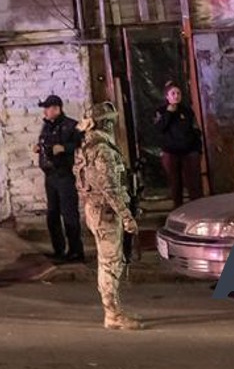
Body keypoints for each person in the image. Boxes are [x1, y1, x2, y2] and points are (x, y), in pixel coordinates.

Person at [76, 100, 143, 330]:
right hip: (106, 212)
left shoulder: (86, 146)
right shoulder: (102, 150)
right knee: (111, 262)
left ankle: (112, 310)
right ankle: (112, 313)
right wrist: (126, 216)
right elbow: (110, 187)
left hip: (95, 209)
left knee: (107, 261)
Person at [35, 94, 84, 264]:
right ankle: (59, 250)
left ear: (57, 109)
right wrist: (39, 148)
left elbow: (83, 144)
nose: (46, 112)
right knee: (53, 214)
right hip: (50, 176)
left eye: (48, 108)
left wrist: (64, 148)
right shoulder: (47, 126)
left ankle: (76, 251)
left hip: (65, 175)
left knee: (69, 214)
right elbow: (45, 143)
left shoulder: (71, 126)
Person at [154, 81, 203, 209]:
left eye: (178, 93)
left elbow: (196, 129)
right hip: (171, 152)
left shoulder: (187, 111)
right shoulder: (161, 111)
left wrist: (197, 149)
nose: (176, 96)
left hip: (189, 150)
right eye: (173, 93)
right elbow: (159, 128)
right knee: (175, 183)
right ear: (167, 96)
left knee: (194, 183)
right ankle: (178, 208)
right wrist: (169, 113)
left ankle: (198, 208)